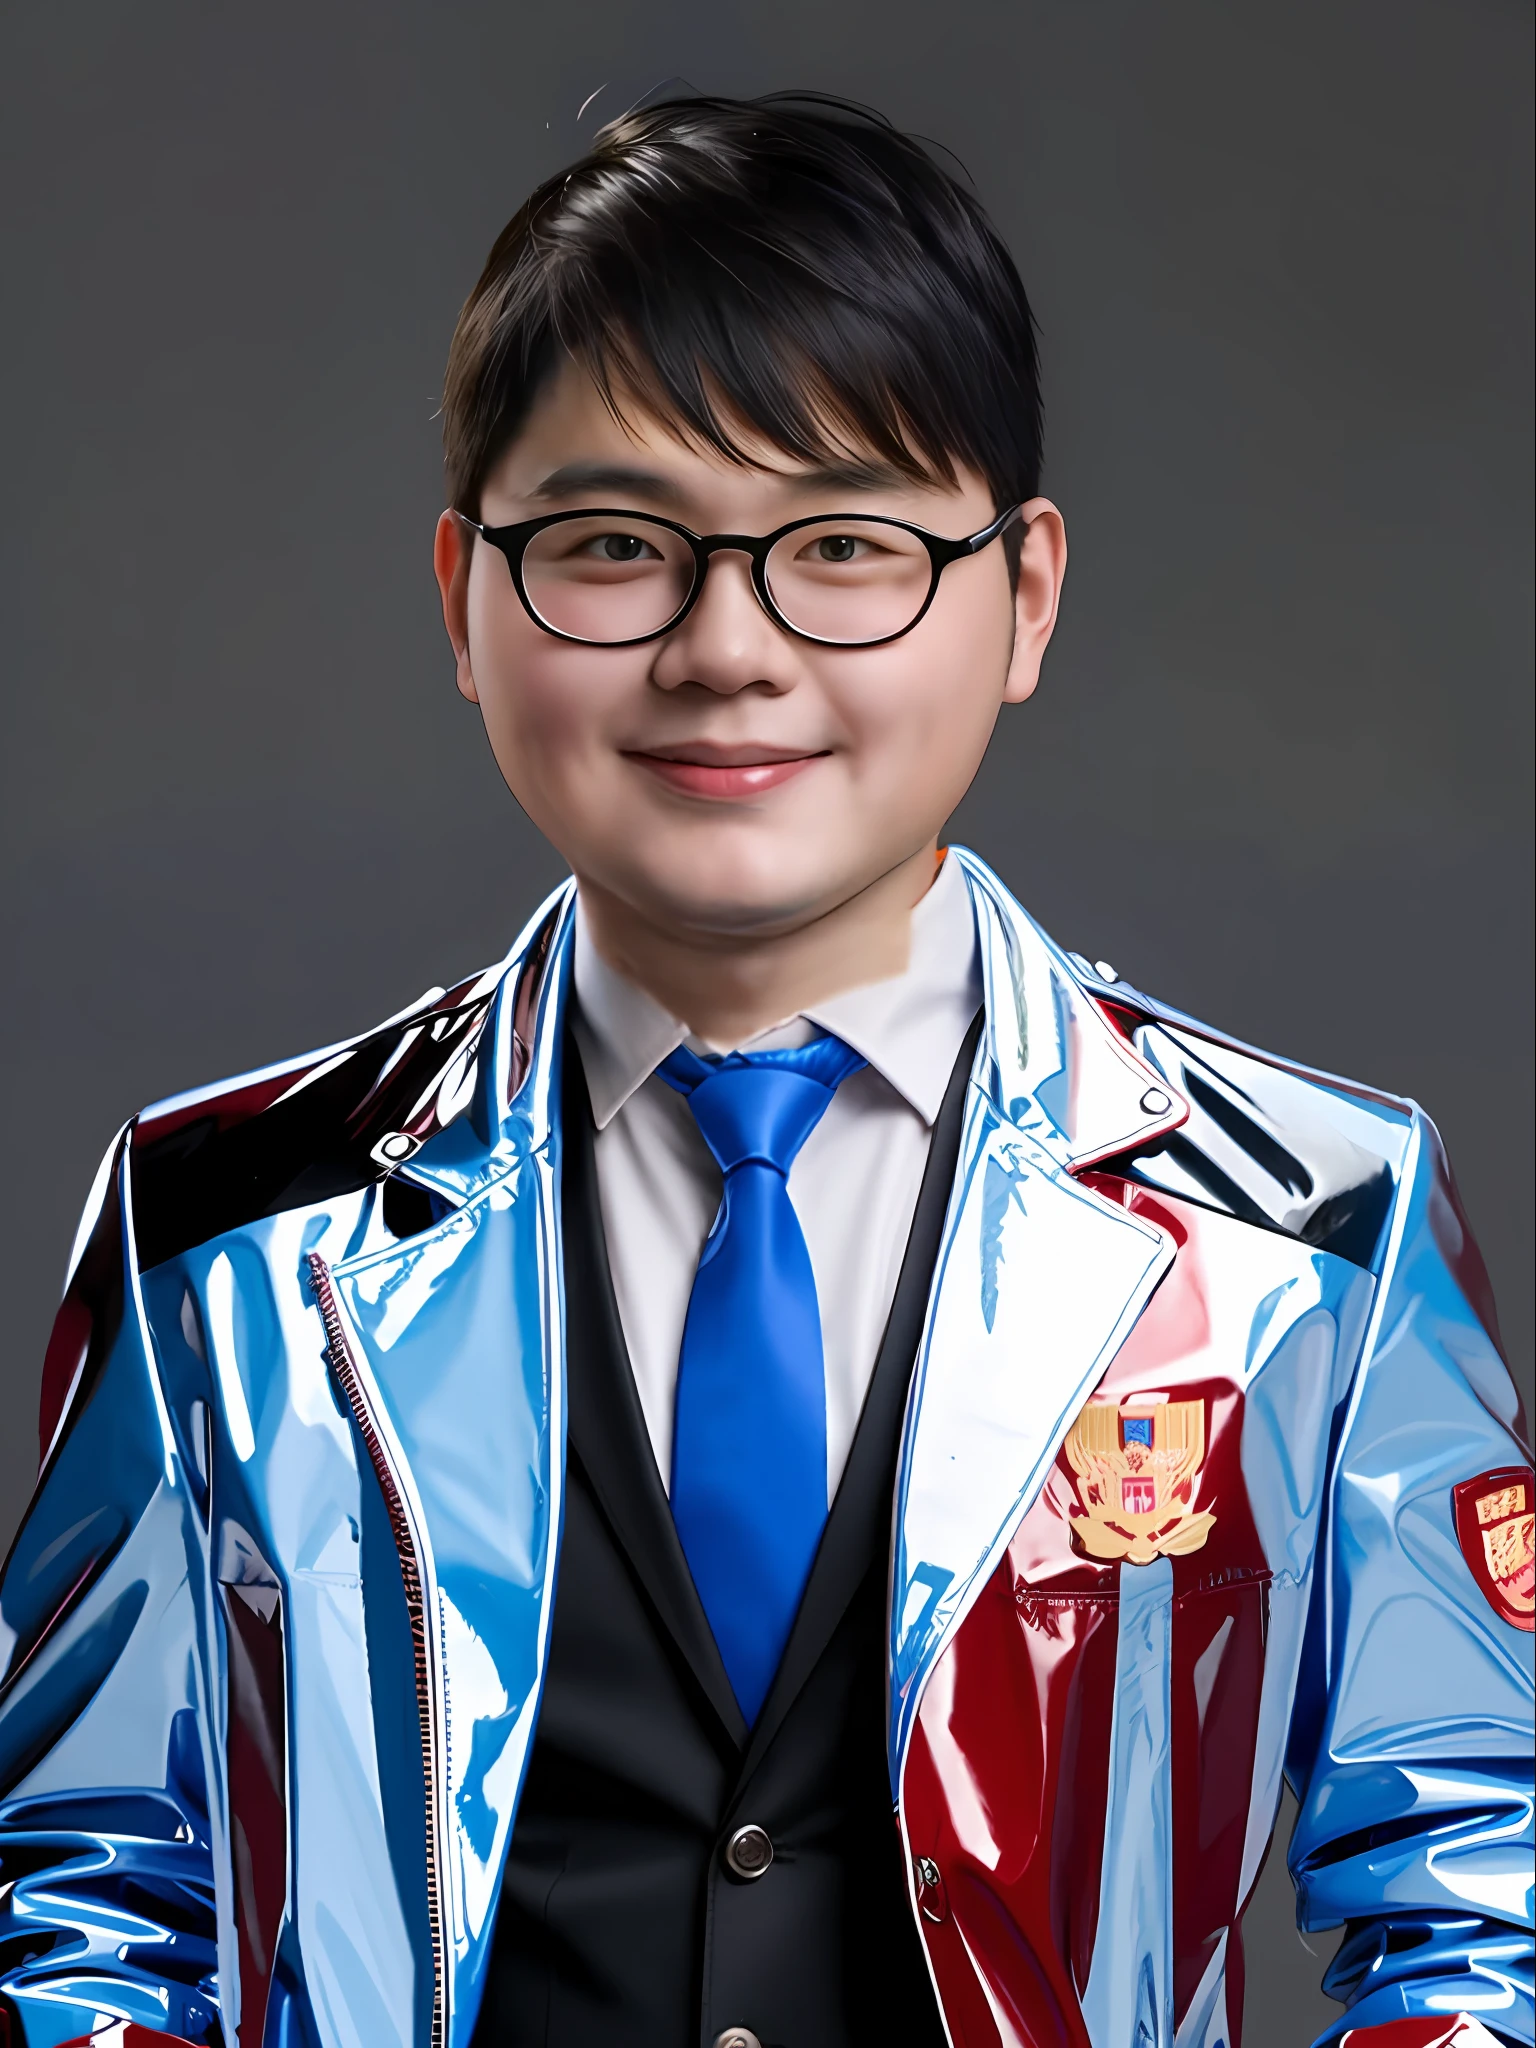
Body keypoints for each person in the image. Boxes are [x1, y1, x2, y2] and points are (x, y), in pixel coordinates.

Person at [0, 91, 1530, 2048]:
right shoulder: (221, 1234)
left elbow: (1489, 1908)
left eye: (845, 544)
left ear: (1026, 595)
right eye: (618, 543)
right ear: (463, 597)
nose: (730, 648)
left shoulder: (1312, 1227)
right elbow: (81, 1905)